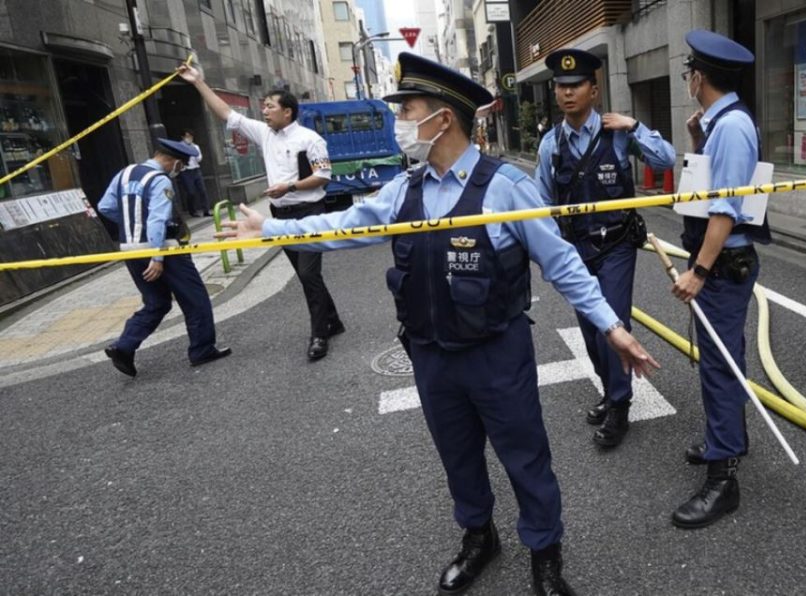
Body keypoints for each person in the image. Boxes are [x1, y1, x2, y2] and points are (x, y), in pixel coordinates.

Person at [219, 52, 661, 596]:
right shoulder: (404, 190)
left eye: (408, 110)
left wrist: (612, 327)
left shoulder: (506, 188)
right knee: (458, 456)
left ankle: (545, 554)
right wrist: (269, 230)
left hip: (498, 354)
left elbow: (563, 263)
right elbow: (343, 226)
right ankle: (479, 537)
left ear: (443, 118)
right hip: (430, 354)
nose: (400, 121)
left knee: (526, 458)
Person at [535, 49, 675, 449]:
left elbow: (666, 160)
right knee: (591, 328)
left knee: (612, 323)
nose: (567, 93)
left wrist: (636, 126)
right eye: (560, 86)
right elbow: (541, 204)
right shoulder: (551, 144)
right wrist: (550, 254)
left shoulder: (618, 133)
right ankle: (609, 390)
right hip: (575, 249)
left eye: (575, 85)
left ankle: (619, 404)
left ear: (593, 91)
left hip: (616, 244)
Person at [669, 30, 770, 529]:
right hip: (722, 263)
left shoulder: (730, 127)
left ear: (700, 77)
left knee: (720, 367)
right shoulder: (718, 125)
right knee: (722, 360)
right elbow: (709, 190)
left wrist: (699, 272)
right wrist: (695, 142)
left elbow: (725, 210)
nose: (688, 80)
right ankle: (726, 441)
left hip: (724, 266)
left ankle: (723, 478)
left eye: (689, 73)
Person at [178, 63, 344, 361]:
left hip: (310, 213)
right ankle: (332, 320)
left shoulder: (310, 139)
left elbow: (323, 176)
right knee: (305, 275)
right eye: (263, 106)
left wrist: (289, 186)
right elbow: (227, 114)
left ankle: (320, 334)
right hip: (281, 215)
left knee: (309, 273)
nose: (264, 111)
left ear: (287, 112)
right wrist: (198, 82)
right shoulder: (264, 133)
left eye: (270, 106)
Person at [97, 139, 232, 377]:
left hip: (130, 250)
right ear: (174, 162)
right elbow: (157, 220)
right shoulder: (160, 180)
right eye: (181, 166)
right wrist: (157, 257)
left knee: (156, 302)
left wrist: (133, 224)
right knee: (195, 299)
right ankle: (202, 350)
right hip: (165, 251)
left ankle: (123, 347)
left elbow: (105, 207)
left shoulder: (124, 173)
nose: (179, 171)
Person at [179, 129, 210, 216]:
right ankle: (192, 211)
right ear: (183, 137)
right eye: (187, 136)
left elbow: (199, 159)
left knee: (202, 190)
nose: (189, 138)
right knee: (191, 192)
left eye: (190, 136)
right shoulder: (180, 146)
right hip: (186, 171)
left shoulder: (195, 146)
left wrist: (193, 152)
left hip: (196, 169)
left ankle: (206, 210)